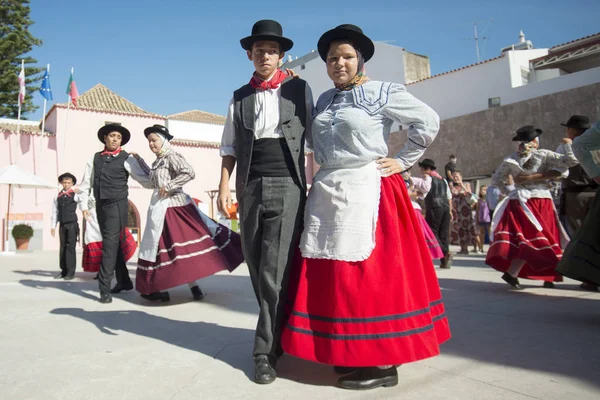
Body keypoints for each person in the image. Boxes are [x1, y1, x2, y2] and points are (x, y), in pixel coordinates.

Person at [281, 24, 450, 391]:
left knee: (367, 276)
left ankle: (383, 361)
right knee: (336, 276)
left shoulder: (383, 92)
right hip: (329, 189)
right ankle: (350, 351)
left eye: (346, 56)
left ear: (360, 59)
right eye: (331, 58)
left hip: (368, 189)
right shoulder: (324, 100)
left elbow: (428, 121)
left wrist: (404, 160)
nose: (338, 63)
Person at [217, 20, 313, 385]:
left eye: (271, 50)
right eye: (258, 51)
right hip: (249, 184)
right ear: (249, 55)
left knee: (275, 268)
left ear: (281, 55)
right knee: (257, 266)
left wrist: (317, 184)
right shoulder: (240, 95)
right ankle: (281, 333)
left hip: (288, 183)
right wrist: (225, 187)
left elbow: (314, 142)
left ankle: (263, 352)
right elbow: (229, 147)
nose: (265, 56)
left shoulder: (299, 89)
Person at [135, 125, 244, 302]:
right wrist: (139, 162)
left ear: (163, 140)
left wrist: (170, 186)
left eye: (154, 140)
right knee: (170, 249)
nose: (151, 144)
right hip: (160, 210)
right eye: (149, 141)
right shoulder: (158, 162)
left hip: (176, 209)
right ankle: (182, 288)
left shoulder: (172, 156)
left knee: (181, 248)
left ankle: (185, 287)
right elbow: (152, 181)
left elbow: (189, 172)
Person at [486, 125, 579, 290]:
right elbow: (571, 161)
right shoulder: (542, 154)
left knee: (526, 239)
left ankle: (514, 273)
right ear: (535, 141)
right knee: (541, 237)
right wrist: (567, 144)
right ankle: (547, 276)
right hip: (539, 200)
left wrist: (510, 191)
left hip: (521, 201)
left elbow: (496, 180)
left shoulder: (511, 159)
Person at [78, 124, 154, 304]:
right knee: (115, 243)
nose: (115, 139)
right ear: (105, 138)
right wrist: (83, 206)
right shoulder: (95, 158)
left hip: (118, 205)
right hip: (100, 205)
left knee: (109, 246)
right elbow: (85, 184)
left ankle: (104, 288)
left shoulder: (127, 159)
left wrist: (160, 183)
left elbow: (143, 179)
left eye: (118, 137)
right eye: (112, 136)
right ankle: (125, 281)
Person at [556, 120, 600, 291]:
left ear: (571, 130)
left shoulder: (569, 146)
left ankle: (588, 275)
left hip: (577, 194)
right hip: (592, 191)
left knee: (583, 234)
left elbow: (561, 169)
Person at [81, 193, 136, 278]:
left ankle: (113, 273)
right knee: (98, 246)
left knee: (112, 246)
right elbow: (82, 195)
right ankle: (102, 272)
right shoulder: (87, 190)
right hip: (93, 220)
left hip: (106, 215)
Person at [412, 159, 453, 268]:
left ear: (426, 169)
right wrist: (450, 210)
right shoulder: (443, 180)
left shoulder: (427, 178)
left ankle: (445, 252)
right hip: (445, 207)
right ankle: (444, 259)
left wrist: (413, 193)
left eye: (421, 168)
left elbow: (424, 193)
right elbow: (449, 196)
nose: (420, 170)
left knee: (432, 232)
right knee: (443, 233)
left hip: (435, 207)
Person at [403, 170, 444, 260]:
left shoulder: (412, 180)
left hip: (413, 208)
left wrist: (427, 177)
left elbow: (424, 190)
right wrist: (412, 193)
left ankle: (421, 253)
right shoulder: (399, 181)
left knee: (419, 232)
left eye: (407, 171)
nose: (405, 173)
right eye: (404, 172)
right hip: (404, 209)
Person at [51, 172, 82, 280]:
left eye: (69, 182)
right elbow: (55, 211)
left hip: (72, 224)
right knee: (63, 247)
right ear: (61, 183)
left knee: (70, 248)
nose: (66, 184)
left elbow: (84, 201)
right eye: (64, 182)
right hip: (62, 224)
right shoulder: (57, 196)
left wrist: (80, 191)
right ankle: (63, 270)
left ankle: (70, 271)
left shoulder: (75, 194)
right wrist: (53, 226)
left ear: (72, 183)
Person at [451, 171, 478, 255]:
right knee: (460, 231)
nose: (455, 178)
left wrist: (462, 186)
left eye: (457, 176)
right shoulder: (452, 187)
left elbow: (469, 195)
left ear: (461, 176)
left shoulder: (466, 184)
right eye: (454, 177)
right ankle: (463, 248)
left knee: (470, 228)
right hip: (457, 211)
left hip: (466, 211)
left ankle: (475, 247)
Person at [475, 185, 491, 253]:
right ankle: (481, 248)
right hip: (481, 218)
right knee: (482, 234)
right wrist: (477, 219)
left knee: (490, 234)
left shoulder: (489, 199)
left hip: (488, 219)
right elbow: (478, 210)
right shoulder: (479, 200)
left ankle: (491, 247)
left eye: (484, 190)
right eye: (481, 190)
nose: (482, 191)